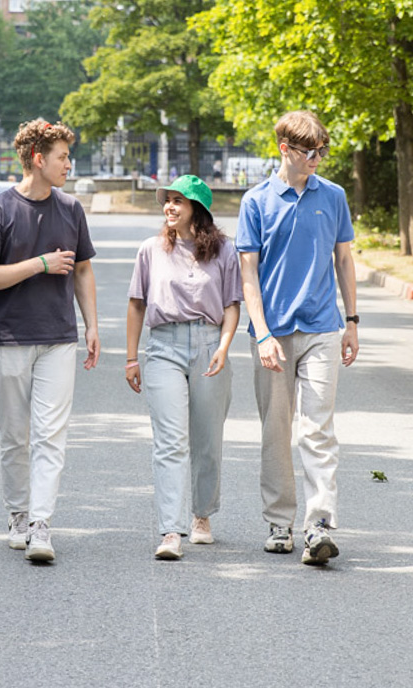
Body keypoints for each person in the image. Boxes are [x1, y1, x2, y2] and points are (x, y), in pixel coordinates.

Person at [0, 119, 100, 563]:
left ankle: (41, 524)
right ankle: (18, 513)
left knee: (51, 435)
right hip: (7, 338)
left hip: (58, 338)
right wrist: (39, 264)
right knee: (14, 436)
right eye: (62, 156)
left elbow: (82, 269)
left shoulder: (71, 208)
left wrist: (93, 326)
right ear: (39, 159)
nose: (69, 164)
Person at [236, 110, 358, 566]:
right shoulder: (257, 201)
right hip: (274, 334)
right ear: (284, 149)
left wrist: (353, 320)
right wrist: (263, 332)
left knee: (318, 428)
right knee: (276, 429)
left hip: (323, 327)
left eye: (323, 151)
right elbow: (248, 274)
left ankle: (319, 524)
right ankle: (279, 522)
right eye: (310, 152)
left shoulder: (334, 196)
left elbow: (344, 260)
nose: (318, 159)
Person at [125, 175, 242, 560]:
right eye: (168, 200)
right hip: (164, 348)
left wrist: (224, 347)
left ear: (198, 210)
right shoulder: (151, 249)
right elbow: (137, 303)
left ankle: (201, 516)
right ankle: (170, 530)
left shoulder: (224, 251)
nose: (170, 207)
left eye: (179, 201)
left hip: (210, 345)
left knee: (207, 439)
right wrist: (131, 357)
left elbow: (231, 305)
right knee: (170, 442)